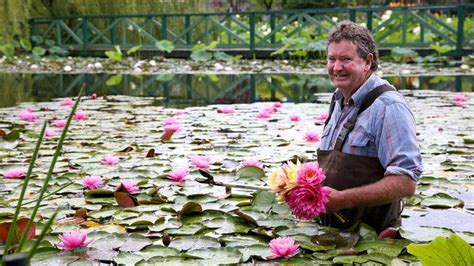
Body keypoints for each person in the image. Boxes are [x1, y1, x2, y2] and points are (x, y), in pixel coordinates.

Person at [317, 21, 423, 235]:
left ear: (368, 62)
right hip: (333, 236)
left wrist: (343, 200)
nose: (336, 67)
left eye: (345, 59)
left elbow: (405, 182)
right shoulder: (338, 100)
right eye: (332, 59)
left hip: (373, 239)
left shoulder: (388, 107)